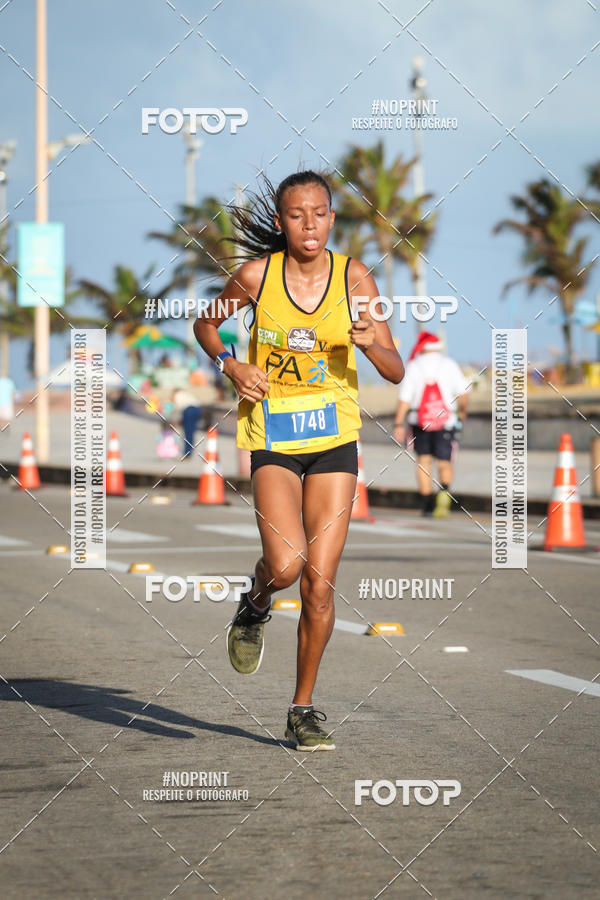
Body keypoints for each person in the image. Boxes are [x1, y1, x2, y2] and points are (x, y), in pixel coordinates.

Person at [194, 170, 404, 751]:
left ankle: (302, 708)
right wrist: (232, 365)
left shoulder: (354, 276)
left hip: (335, 441)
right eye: (295, 214)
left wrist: (372, 344)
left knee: (318, 585)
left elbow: (395, 368)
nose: (308, 225)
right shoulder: (257, 277)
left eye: (318, 213)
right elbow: (205, 324)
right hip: (275, 440)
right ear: (282, 222)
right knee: (285, 567)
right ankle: (256, 602)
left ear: (332, 218)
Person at [393, 331, 469, 518]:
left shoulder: (414, 366)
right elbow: (463, 393)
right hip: (446, 422)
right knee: (445, 461)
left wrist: (398, 423)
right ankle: (444, 497)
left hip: (420, 422)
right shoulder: (449, 364)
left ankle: (427, 504)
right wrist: (462, 412)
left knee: (423, 462)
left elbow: (405, 399)